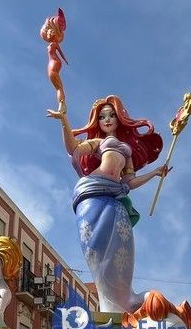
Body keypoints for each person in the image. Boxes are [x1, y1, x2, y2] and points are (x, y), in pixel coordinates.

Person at [47, 95, 168, 312]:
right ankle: (110, 304)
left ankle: (122, 299)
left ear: (120, 118)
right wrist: (64, 119)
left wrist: (156, 173)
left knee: (121, 248)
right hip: (92, 194)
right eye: (102, 117)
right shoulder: (99, 142)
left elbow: (130, 182)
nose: (107, 120)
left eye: (112, 115)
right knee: (99, 247)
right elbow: (73, 148)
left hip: (115, 198)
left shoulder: (126, 149)